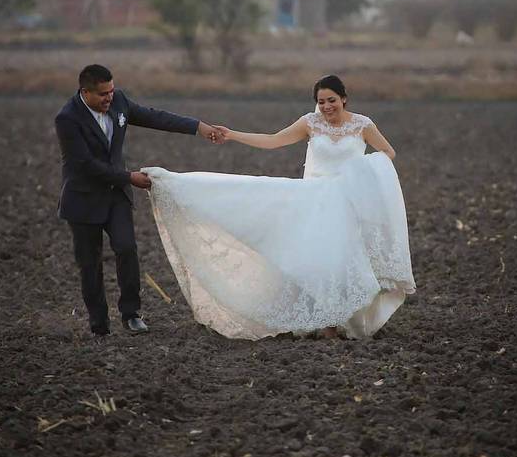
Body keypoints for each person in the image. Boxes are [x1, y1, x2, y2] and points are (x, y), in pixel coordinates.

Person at [142, 74, 415, 340]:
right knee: (314, 262)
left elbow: (388, 152)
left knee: (339, 263)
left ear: (344, 99)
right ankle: (325, 323)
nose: (327, 107)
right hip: (312, 200)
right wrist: (233, 135)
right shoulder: (310, 122)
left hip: (346, 203)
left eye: (331, 100)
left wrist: (362, 169)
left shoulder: (362, 125)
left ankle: (336, 321)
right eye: (321, 102)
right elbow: (273, 140)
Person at [54, 64, 224, 337]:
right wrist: (128, 176)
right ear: (84, 92)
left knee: (127, 249)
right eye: (102, 94)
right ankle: (99, 323)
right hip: (83, 200)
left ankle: (131, 314)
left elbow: (155, 117)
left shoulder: (119, 101)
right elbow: (84, 165)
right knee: (90, 263)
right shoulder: (67, 119)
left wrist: (199, 127)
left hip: (116, 196)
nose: (109, 98)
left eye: (111, 91)